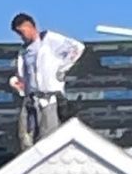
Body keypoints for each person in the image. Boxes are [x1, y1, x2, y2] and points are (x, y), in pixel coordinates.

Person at [10, 13, 85, 150]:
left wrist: (61, 69)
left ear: (30, 26)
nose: (21, 36)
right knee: (27, 136)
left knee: (49, 138)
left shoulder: (49, 40)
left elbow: (77, 47)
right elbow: (24, 75)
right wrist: (19, 84)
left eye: (22, 32)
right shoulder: (24, 52)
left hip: (49, 98)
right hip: (32, 100)